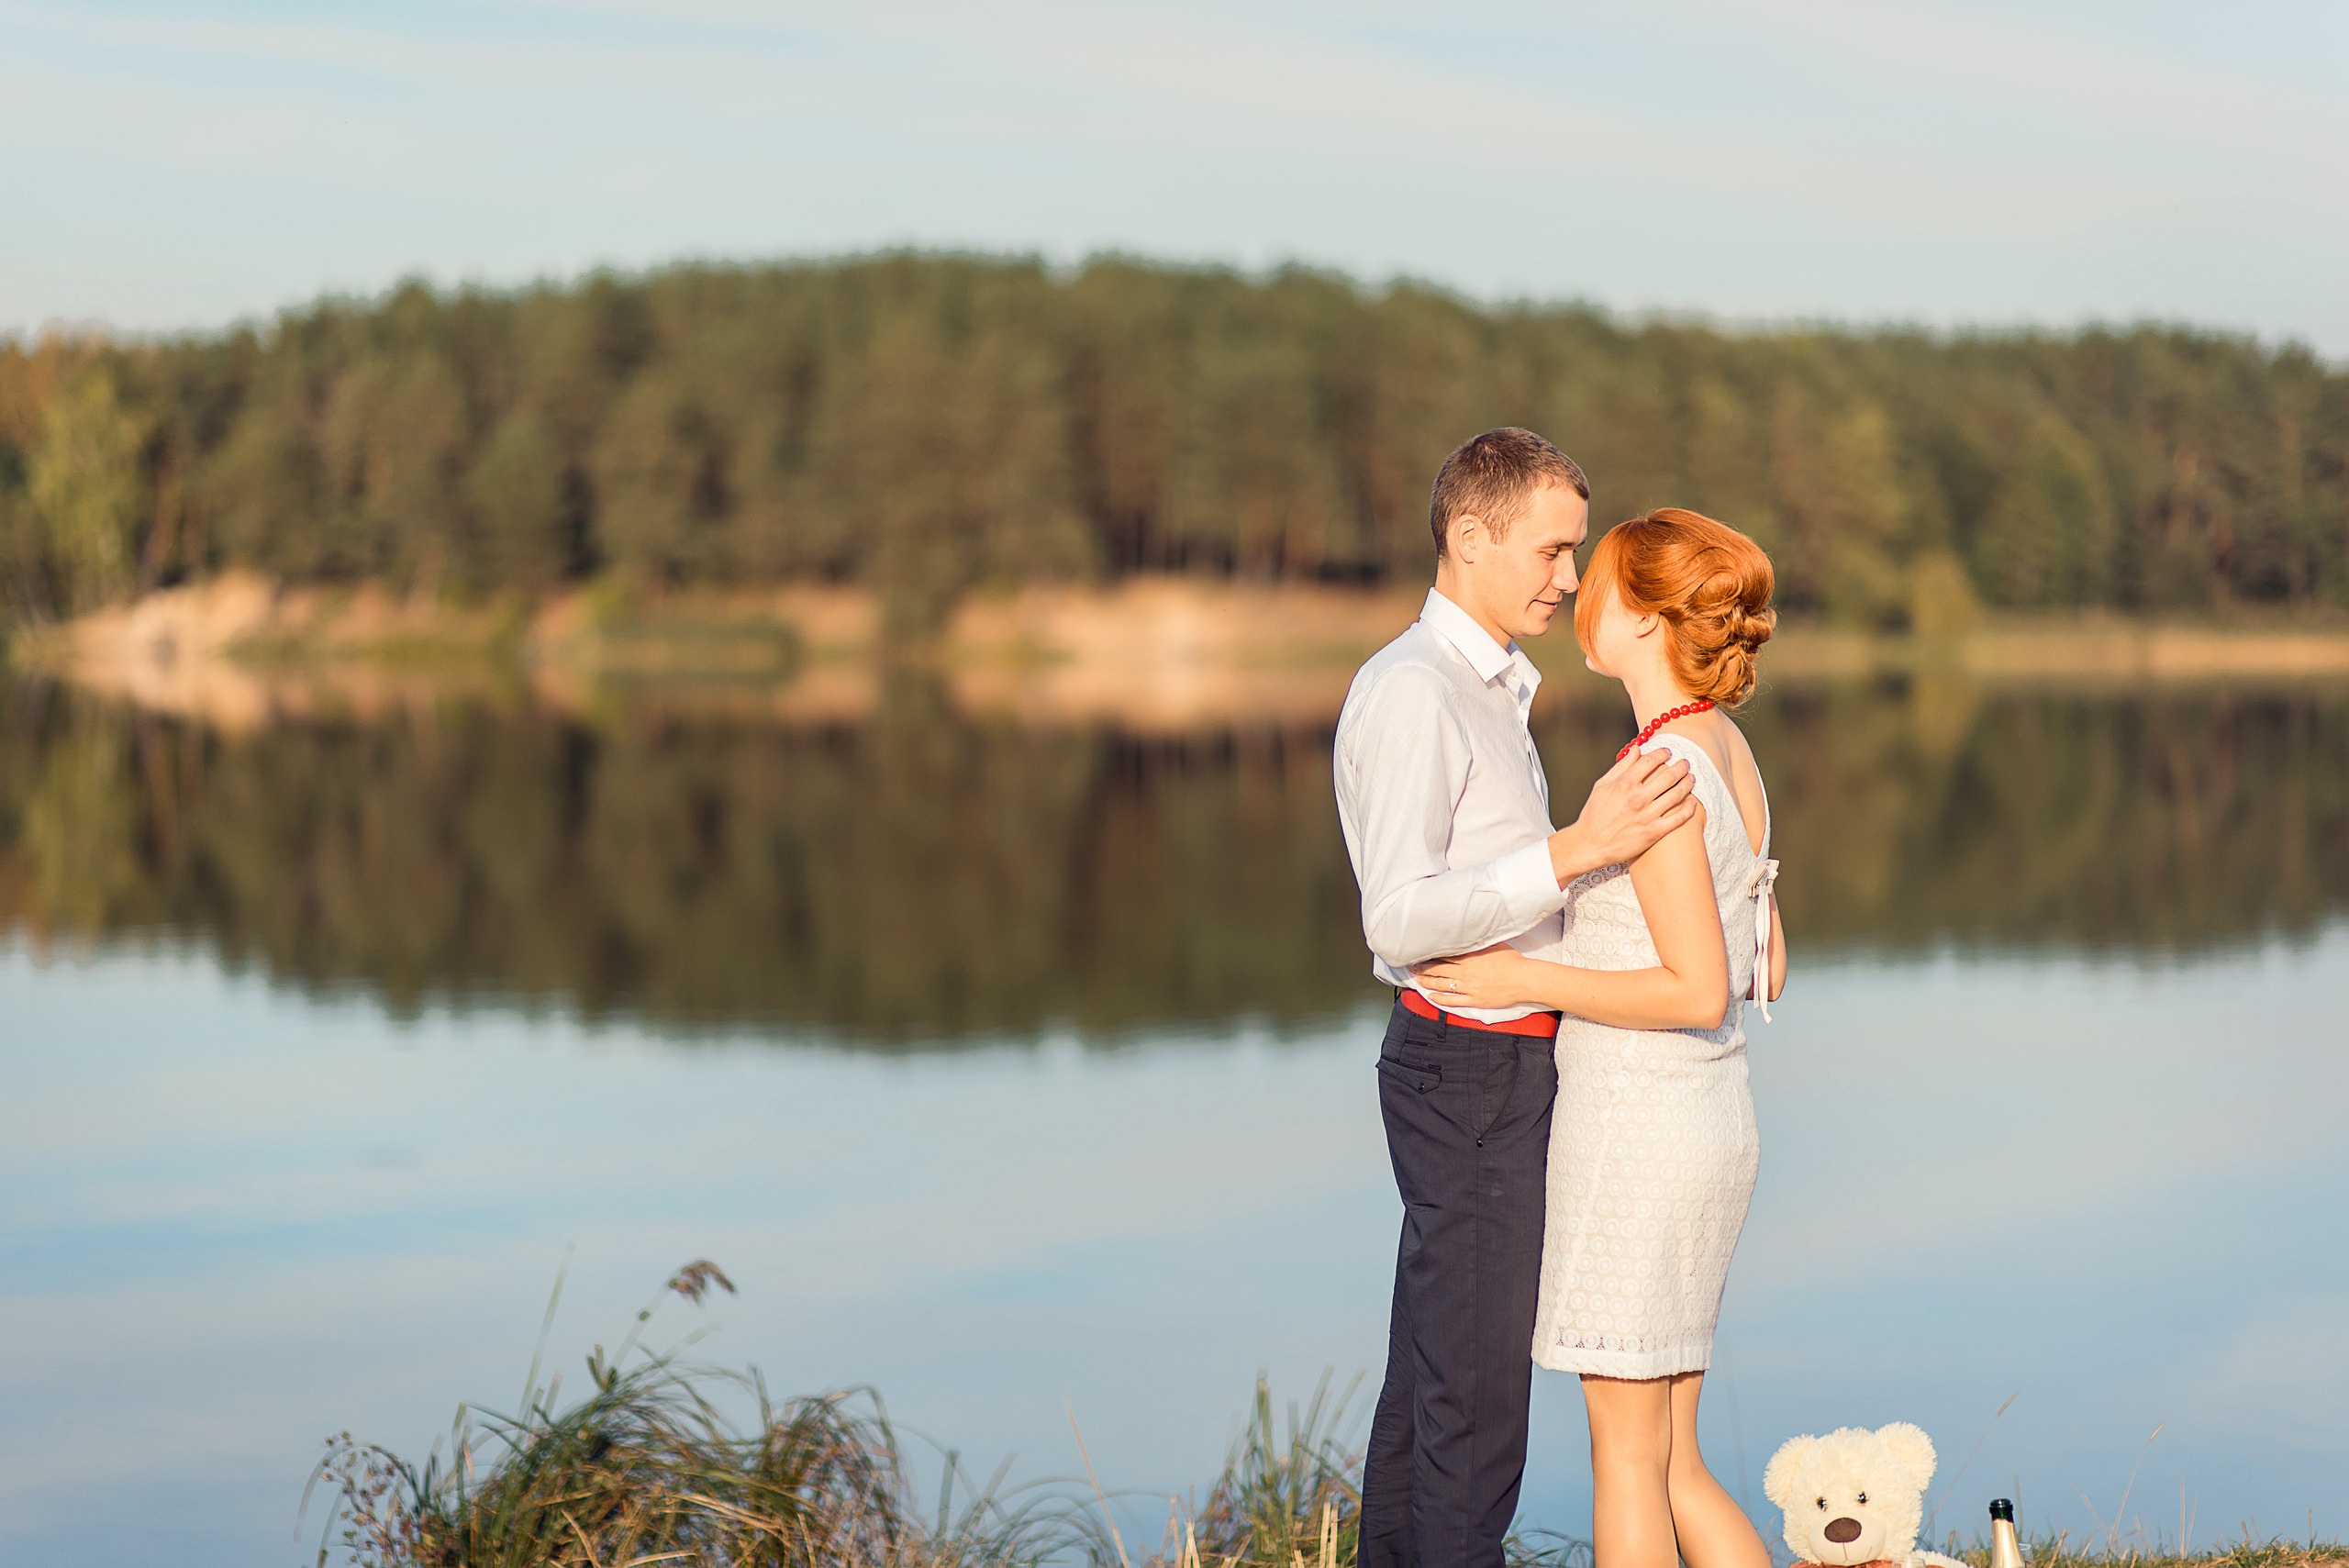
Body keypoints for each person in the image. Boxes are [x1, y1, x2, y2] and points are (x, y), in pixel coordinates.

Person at [1333, 429, 1699, 1568]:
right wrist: (1574, 849)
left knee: (1432, 1386)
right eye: (1550, 550)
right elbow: (1397, 917)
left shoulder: (1488, 685)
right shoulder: (1414, 691)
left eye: (1574, 551)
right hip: (1468, 1070)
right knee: (1475, 1411)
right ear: (1468, 536)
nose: (1567, 576)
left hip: (1489, 1066)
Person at [1414, 506, 1787, 1568]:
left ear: (1638, 615)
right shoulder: (1723, 749)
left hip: (1639, 1130)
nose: (1577, 591)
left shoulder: (1657, 769)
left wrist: (1519, 972)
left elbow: (1697, 986)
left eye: (1598, 580)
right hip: (1707, 1121)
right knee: (1671, 1457)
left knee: (1626, 1459)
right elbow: (1764, 951)